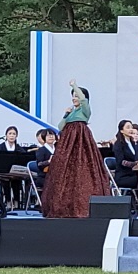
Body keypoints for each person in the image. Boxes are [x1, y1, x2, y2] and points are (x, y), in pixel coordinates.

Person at [41, 80, 111, 218]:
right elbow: (60, 127)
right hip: (67, 143)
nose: (74, 98)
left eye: (76, 96)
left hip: (81, 141)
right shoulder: (72, 112)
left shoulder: (85, 110)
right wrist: (65, 115)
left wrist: (74, 86)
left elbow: (84, 100)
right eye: (73, 96)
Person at [0, 126, 25, 209]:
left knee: (16, 181)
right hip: (4, 171)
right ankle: (8, 201)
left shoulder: (19, 148)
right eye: (10, 134)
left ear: (16, 136)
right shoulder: (1, 147)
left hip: (15, 172)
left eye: (14, 134)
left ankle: (16, 201)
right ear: (6, 135)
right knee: (5, 181)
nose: (12, 136)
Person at [112, 120, 138, 191]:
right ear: (122, 131)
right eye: (128, 127)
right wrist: (136, 164)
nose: (131, 129)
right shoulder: (118, 144)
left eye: (131, 127)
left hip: (133, 174)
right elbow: (121, 162)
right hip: (123, 176)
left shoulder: (134, 144)